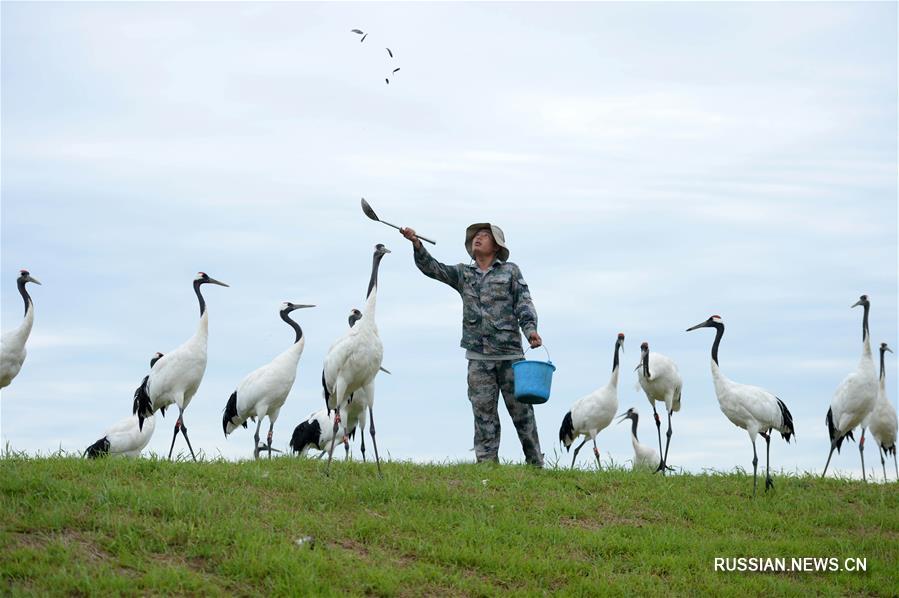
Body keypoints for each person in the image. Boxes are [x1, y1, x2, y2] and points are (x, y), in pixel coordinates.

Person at [400, 223, 545, 467]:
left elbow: (524, 303)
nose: (478, 238)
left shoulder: (510, 271)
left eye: (485, 236)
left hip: (510, 358)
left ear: (496, 246)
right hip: (478, 359)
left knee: (523, 415)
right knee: (483, 415)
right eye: (476, 236)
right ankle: (487, 467)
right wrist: (416, 244)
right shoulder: (463, 274)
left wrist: (531, 331)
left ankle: (536, 464)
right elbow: (433, 268)